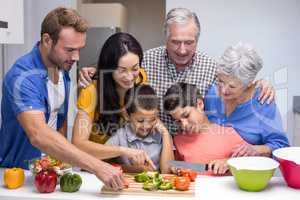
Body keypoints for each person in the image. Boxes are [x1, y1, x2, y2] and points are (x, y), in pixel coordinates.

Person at [78, 8, 275, 133]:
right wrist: (93, 70)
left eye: (189, 42)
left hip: (191, 151)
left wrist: (260, 83)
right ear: (165, 38)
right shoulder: (146, 60)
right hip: (150, 146)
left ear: (197, 39)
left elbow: (236, 83)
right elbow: (120, 67)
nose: (182, 50)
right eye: (175, 42)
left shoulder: (212, 68)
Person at [0, 7, 124, 190]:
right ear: (47, 40)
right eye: (69, 50)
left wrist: (62, 164)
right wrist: (97, 165)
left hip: (51, 171)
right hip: (19, 175)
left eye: (80, 49)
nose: (76, 57)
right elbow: (38, 134)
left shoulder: (61, 68)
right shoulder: (22, 76)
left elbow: (59, 119)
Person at [72, 32, 156, 170]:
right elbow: (78, 144)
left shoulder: (140, 78)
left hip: (127, 167)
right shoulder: (91, 91)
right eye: (122, 70)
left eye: (134, 68)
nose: (130, 77)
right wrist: (122, 150)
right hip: (94, 168)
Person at [204, 42, 290, 157]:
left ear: (249, 84)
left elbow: (282, 146)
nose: (223, 90)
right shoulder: (212, 93)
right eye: (220, 81)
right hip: (210, 167)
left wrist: (257, 149)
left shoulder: (263, 102)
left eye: (232, 86)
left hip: (245, 170)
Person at [164, 83, 248, 175]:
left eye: (186, 115)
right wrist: (176, 169)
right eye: (178, 121)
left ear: (200, 104)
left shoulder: (229, 134)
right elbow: (173, 169)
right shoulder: (178, 140)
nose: (184, 125)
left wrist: (229, 163)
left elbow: (254, 162)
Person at [105, 84, 174, 173]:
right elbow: (98, 163)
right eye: (140, 121)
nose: (147, 126)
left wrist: (165, 134)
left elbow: (167, 172)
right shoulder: (120, 136)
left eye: (153, 119)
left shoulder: (162, 136)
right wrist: (135, 169)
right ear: (126, 115)